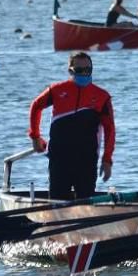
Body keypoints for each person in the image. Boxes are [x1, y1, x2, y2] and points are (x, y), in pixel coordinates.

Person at [28, 52, 114, 199]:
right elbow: (36, 106)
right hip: (60, 158)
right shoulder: (57, 90)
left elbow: (110, 130)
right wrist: (35, 137)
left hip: (86, 159)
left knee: (86, 203)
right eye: (80, 71)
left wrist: (107, 160)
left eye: (88, 70)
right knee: (57, 201)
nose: (85, 74)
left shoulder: (102, 96)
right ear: (70, 71)